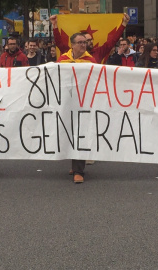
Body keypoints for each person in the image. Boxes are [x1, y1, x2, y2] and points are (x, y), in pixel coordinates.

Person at [57, 32, 97, 183]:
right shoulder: (63, 60)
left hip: (83, 103)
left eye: (84, 42)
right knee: (69, 133)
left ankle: (79, 171)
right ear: (72, 45)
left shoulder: (90, 60)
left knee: (80, 134)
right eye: (80, 42)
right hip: (67, 102)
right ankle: (74, 165)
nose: (83, 45)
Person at [50, 13, 130, 63]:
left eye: (91, 39)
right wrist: (55, 25)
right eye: (86, 41)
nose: (90, 42)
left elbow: (112, 41)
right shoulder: (66, 55)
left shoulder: (98, 53)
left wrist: (123, 24)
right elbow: (59, 43)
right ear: (73, 45)